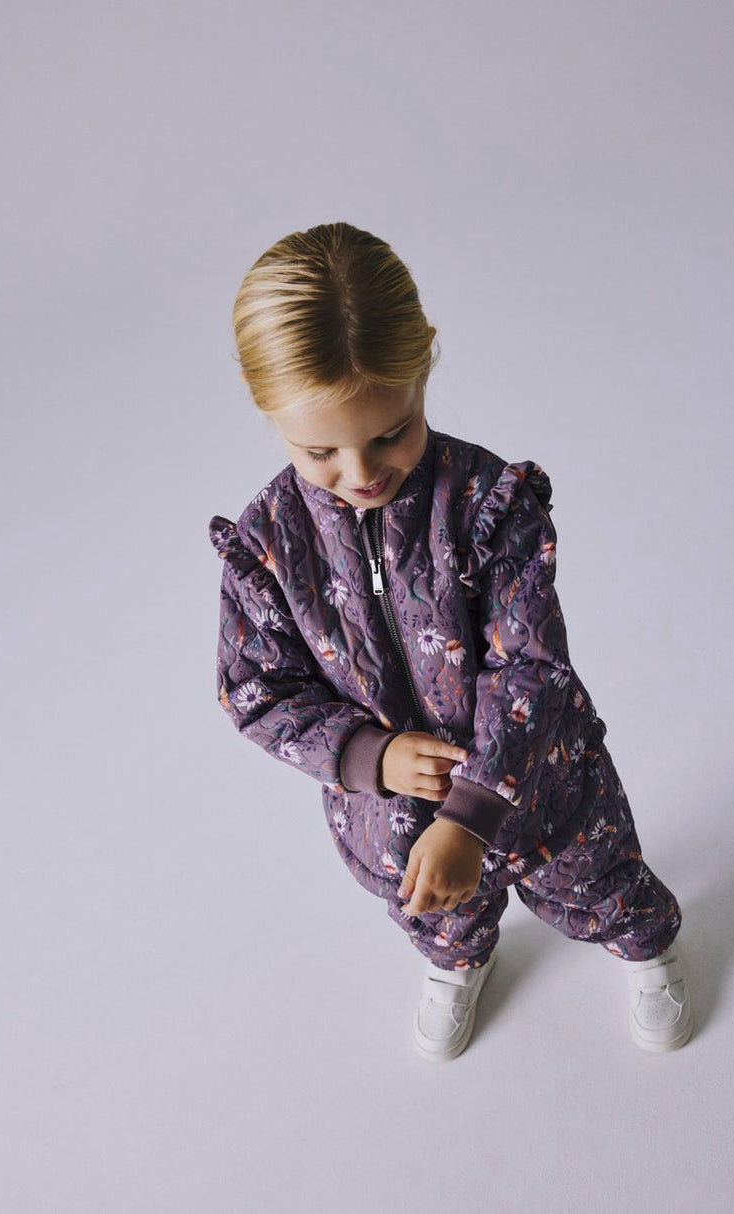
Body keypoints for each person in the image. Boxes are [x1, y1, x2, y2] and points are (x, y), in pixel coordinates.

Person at [209, 222, 693, 1060]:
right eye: (320, 449)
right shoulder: (268, 544)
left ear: (424, 368)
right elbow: (257, 691)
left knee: (598, 880)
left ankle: (645, 946)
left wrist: (471, 815)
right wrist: (369, 756)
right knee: (434, 911)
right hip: (392, 815)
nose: (362, 472)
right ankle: (460, 960)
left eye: (389, 432)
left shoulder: (485, 503)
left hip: (538, 781)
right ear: (267, 411)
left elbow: (530, 665)